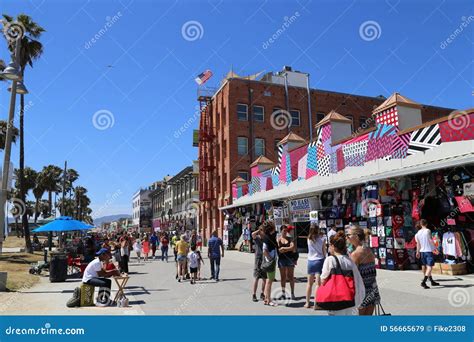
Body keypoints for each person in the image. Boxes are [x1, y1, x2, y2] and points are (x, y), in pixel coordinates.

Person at [320, 231, 365, 315]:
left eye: (329, 245)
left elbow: (323, 280)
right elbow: (358, 281)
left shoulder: (330, 260)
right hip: (349, 301)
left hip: (335, 301)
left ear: (332, 246)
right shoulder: (349, 261)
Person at [346, 225, 381, 315]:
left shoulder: (356, 254)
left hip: (361, 291)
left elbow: (351, 275)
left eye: (349, 235)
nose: (347, 237)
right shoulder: (368, 250)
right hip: (372, 289)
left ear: (356, 237)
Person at [305, 224, 326, 309]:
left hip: (310, 261)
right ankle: (316, 304)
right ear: (318, 230)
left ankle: (307, 302)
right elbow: (323, 251)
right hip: (319, 260)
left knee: (309, 283)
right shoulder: (322, 239)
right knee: (318, 284)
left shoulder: (308, 239)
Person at [415, 219, 440, 289]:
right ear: (426, 224)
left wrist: (417, 252)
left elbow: (418, 243)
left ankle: (431, 281)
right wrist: (435, 248)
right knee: (429, 267)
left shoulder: (418, 233)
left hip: (422, 251)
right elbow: (430, 240)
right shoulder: (428, 231)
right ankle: (424, 282)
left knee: (426, 266)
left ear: (420, 224)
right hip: (428, 251)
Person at [277, 225, 296, 300]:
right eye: (284, 230)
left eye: (286, 230)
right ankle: (283, 293)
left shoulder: (289, 239)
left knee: (291, 276)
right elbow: (278, 249)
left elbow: (293, 247)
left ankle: (292, 293)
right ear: (281, 231)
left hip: (290, 259)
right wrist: (287, 249)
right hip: (281, 259)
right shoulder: (278, 239)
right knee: (283, 277)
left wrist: (284, 248)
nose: (285, 232)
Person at [262, 221, 278, 307]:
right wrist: (271, 258)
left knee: (269, 280)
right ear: (271, 229)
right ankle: (268, 300)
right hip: (270, 261)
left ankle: (265, 298)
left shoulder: (269, 237)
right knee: (269, 281)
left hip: (270, 260)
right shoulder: (267, 238)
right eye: (274, 227)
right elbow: (264, 250)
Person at [251, 226, 266, 302]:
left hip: (265, 259)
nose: (263, 232)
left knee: (264, 278)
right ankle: (254, 294)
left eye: (263, 231)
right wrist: (258, 230)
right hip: (258, 259)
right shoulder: (256, 238)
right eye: (262, 231)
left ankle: (262, 293)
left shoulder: (266, 239)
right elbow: (252, 234)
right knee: (256, 277)